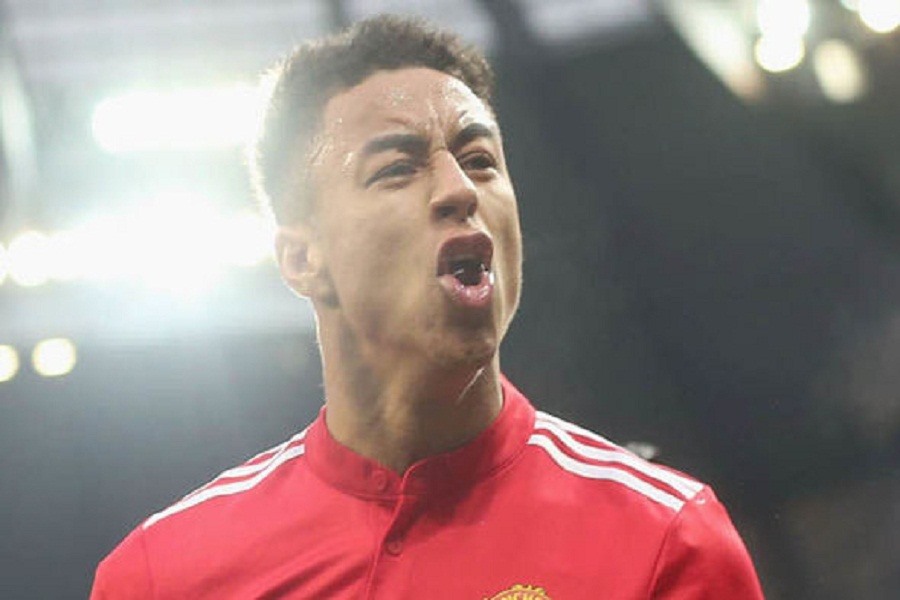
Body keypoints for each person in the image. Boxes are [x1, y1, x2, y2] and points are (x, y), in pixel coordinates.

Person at [90, 15, 764, 599]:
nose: (459, 189)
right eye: (397, 168)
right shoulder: (164, 576)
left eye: (480, 159)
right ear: (301, 258)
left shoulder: (665, 539)